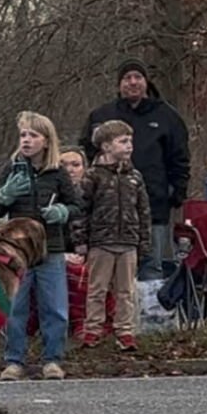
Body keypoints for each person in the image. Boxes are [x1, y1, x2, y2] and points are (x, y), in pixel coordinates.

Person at [0, 111, 82, 381]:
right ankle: (14, 359)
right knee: (15, 306)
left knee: (54, 306)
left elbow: (77, 205)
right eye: (23, 135)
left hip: (50, 248)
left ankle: (52, 359)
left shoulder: (57, 173)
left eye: (33, 135)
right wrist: (6, 195)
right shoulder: (11, 169)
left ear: (46, 140)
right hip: (17, 250)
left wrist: (62, 212)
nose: (26, 140)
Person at [82, 59, 191, 280]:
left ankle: (149, 314)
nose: (133, 82)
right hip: (109, 216)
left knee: (151, 268)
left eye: (138, 77)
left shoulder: (167, 116)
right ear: (119, 84)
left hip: (154, 208)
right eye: (127, 78)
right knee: (110, 277)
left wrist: (175, 193)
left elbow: (180, 158)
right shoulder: (101, 116)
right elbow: (87, 153)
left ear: (146, 81)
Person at [75, 120, 151, 352]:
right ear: (107, 146)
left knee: (125, 290)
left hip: (128, 241)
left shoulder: (135, 177)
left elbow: (143, 211)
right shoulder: (93, 176)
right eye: (123, 141)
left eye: (130, 141)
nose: (129, 146)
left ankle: (125, 330)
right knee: (97, 289)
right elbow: (81, 210)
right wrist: (80, 240)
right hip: (101, 241)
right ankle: (93, 329)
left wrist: (143, 242)